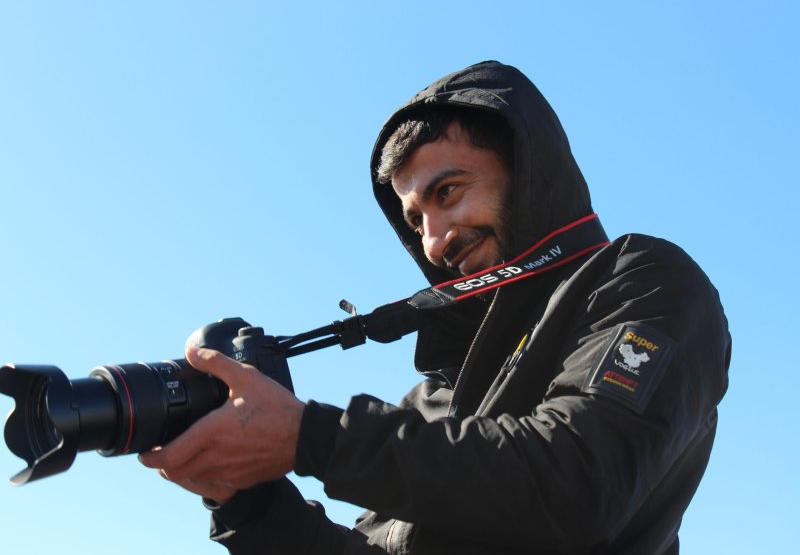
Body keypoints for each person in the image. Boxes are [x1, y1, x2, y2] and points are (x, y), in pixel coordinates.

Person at [139, 61, 731, 554]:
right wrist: (246, 500)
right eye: (415, 220)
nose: (433, 241)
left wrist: (313, 437)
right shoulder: (434, 399)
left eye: (447, 192)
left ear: (527, 173)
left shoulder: (643, 283)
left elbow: (579, 484)